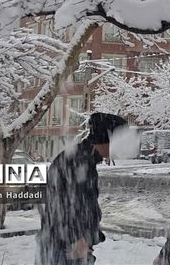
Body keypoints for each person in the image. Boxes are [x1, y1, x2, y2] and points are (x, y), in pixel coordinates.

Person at [35, 112, 127, 265]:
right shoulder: (78, 162)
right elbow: (64, 205)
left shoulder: (83, 159)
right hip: (66, 248)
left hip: (67, 245)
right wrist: (76, 238)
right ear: (107, 139)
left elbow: (84, 206)